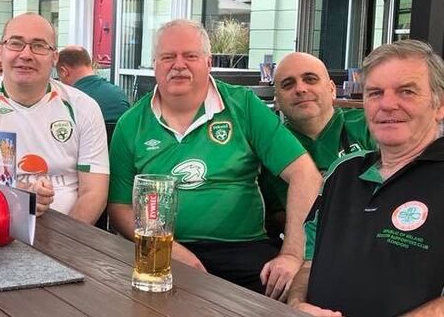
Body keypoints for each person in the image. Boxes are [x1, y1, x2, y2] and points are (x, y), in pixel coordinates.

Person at [107, 19, 322, 298]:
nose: (178, 64)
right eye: (168, 57)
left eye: (190, 56)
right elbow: (119, 207)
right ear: (155, 65)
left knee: (296, 296)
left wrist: (292, 254)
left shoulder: (242, 105)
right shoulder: (131, 123)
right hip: (161, 251)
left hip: (243, 250)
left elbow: (305, 174)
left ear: (208, 62)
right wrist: (171, 250)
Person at [287, 40, 444, 317]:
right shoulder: (342, 173)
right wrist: (297, 306)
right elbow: (310, 264)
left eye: (406, 91)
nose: (387, 104)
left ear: (439, 105)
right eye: (375, 93)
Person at [0, 13, 109, 225]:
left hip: (71, 232)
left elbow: (94, 192)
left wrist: (68, 243)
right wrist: (23, 196)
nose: (26, 54)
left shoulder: (84, 107)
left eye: (39, 46)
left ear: (54, 57)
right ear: (1, 52)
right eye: (16, 43)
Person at [261, 52, 375, 233]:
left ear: (332, 89)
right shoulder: (268, 144)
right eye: (288, 84)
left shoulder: (370, 127)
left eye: (310, 79)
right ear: (277, 100)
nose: (300, 89)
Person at [57, 45, 130, 122]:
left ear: (64, 72)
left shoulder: (68, 100)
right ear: (89, 64)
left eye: (59, 76)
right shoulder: (118, 93)